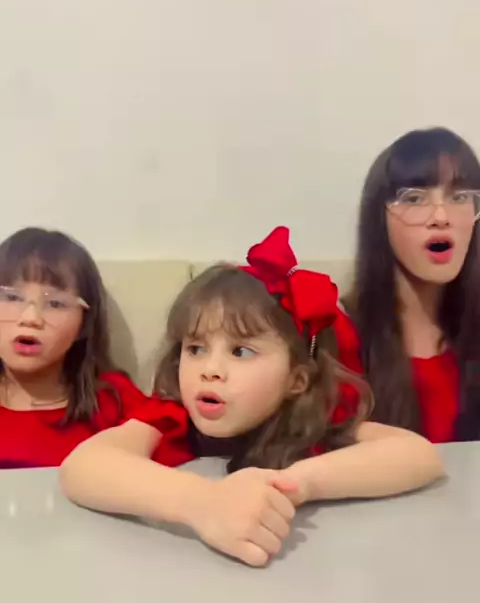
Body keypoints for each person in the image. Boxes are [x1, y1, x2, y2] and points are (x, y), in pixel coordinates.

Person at [60, 226, 443, 567]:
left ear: (296, 380)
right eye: (195, 349)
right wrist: (202, 502)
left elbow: (418, 455)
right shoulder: (173, 415)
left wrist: (297, 484)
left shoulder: (316, 422)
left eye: (240, 352)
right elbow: (83, 466)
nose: (210, 369)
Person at [344, 126, 480, 443]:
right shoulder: (339, 336)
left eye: (459, 197)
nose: (441, 216)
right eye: (415, 198)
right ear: (379, 218)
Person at [0, 227, 158, 468]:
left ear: (84, 325)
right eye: (12, 298)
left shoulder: (112, 401)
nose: (30, 318)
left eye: (55, 303)